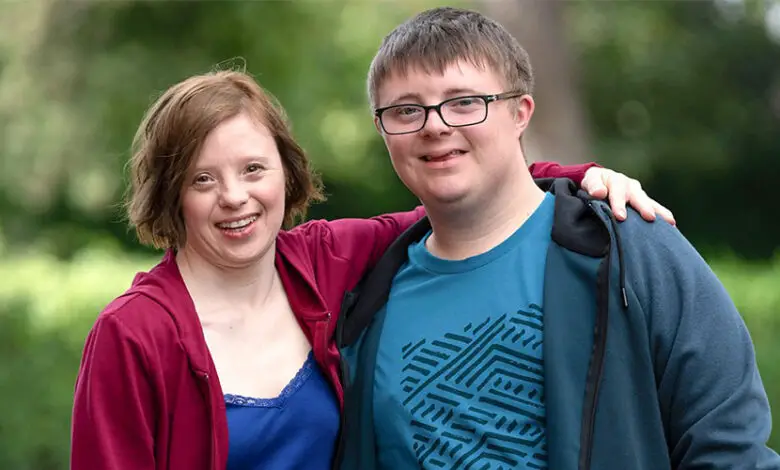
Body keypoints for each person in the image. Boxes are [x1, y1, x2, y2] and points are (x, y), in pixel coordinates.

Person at [69, 70, 671, 470]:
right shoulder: (133, 334)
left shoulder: (329, 260)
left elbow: (458, 198)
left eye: (253, 169)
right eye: (203, 179)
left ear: (286, 171)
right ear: (171, 195)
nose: (235, 197)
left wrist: (581, 177)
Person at [335, 6, 780, 470]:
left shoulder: (627, 248)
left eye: (464, 102)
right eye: (406, 110)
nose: (434, 125)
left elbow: (730, 447)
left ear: (520, 112)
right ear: (382, 130)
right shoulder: (366, 303)